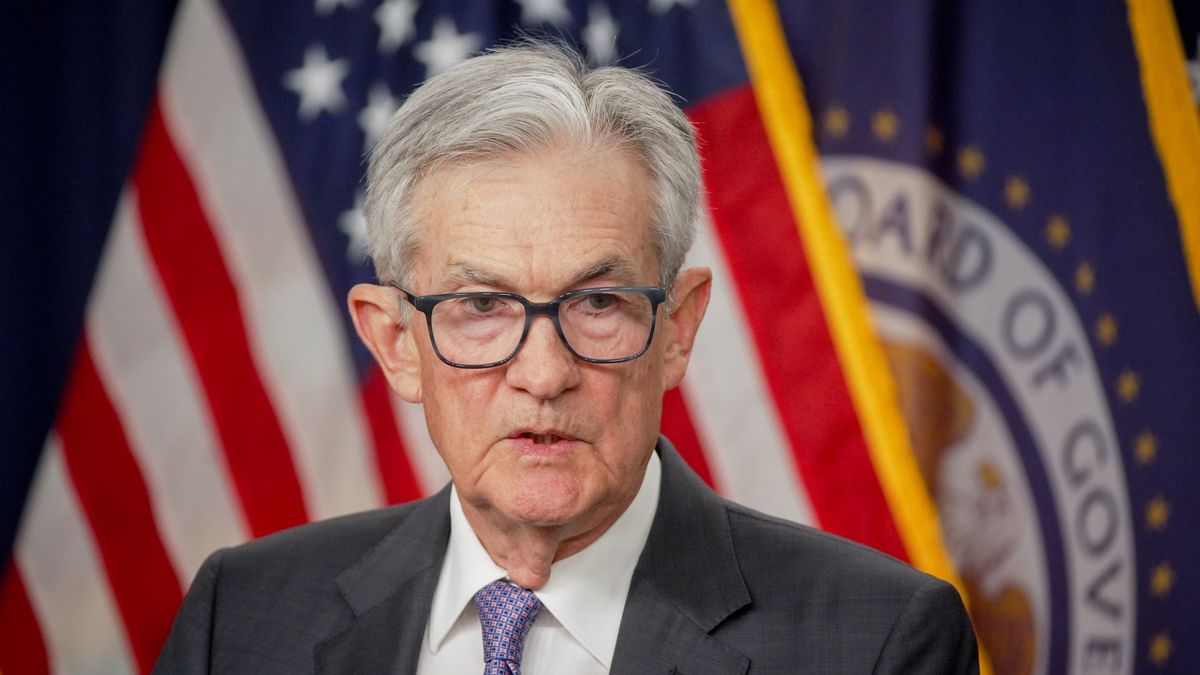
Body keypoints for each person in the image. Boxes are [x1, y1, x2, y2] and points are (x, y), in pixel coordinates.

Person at [154, 41, 979, 674]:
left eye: (597, 303)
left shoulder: (876, 641)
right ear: (396, 341)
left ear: (679, 330)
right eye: (481, 306)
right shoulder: (245, 618)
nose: (544, 374)